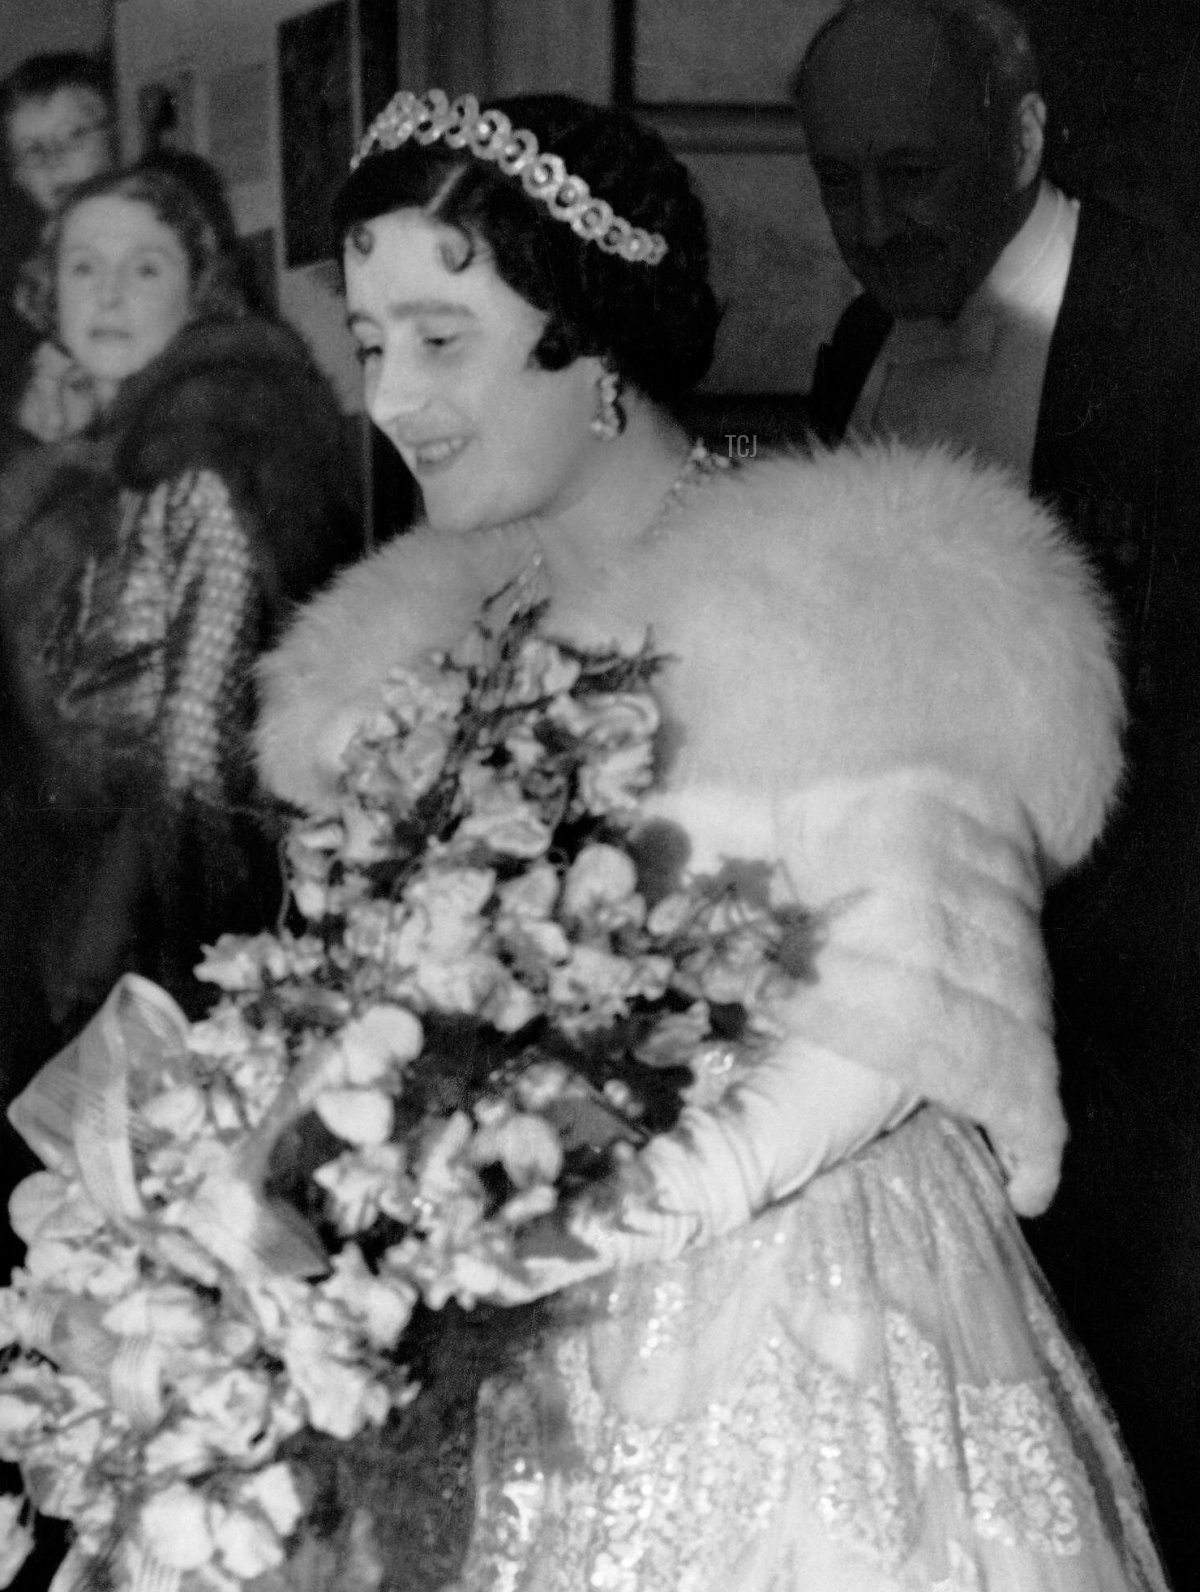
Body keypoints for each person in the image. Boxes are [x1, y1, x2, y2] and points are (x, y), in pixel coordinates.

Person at [254, 89, 1168, 1590]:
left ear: (592, 339)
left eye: (440, 339)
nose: (393, 398)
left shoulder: (840, 584)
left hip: (797, 1330)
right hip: (496, 1348)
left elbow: (890, 1012)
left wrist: (564, 1226)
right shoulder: (424, 649)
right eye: (369, 344)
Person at [795, 4, 1200, 1579]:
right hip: (961, 1010)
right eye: (841, 182)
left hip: (1160, 1017)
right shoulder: (857, 349)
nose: (877, 223)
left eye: (914, 172)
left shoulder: (1175, 319)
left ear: (1022, 135)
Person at [0, 160, 359, 1126]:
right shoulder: (126, 440)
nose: (108, 294)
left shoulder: (217, 447)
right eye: (84, 267)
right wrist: (59, 461)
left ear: (200, 287)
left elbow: (180, 739)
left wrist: (106, 940)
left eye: (144, 269)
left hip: (147, 923)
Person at [0, 52, 116, 443]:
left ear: (114, 136)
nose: (54, 162)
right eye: (33, 150)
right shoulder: (17, 270)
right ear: (16, 173)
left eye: (73, 136)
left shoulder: (160, 236)